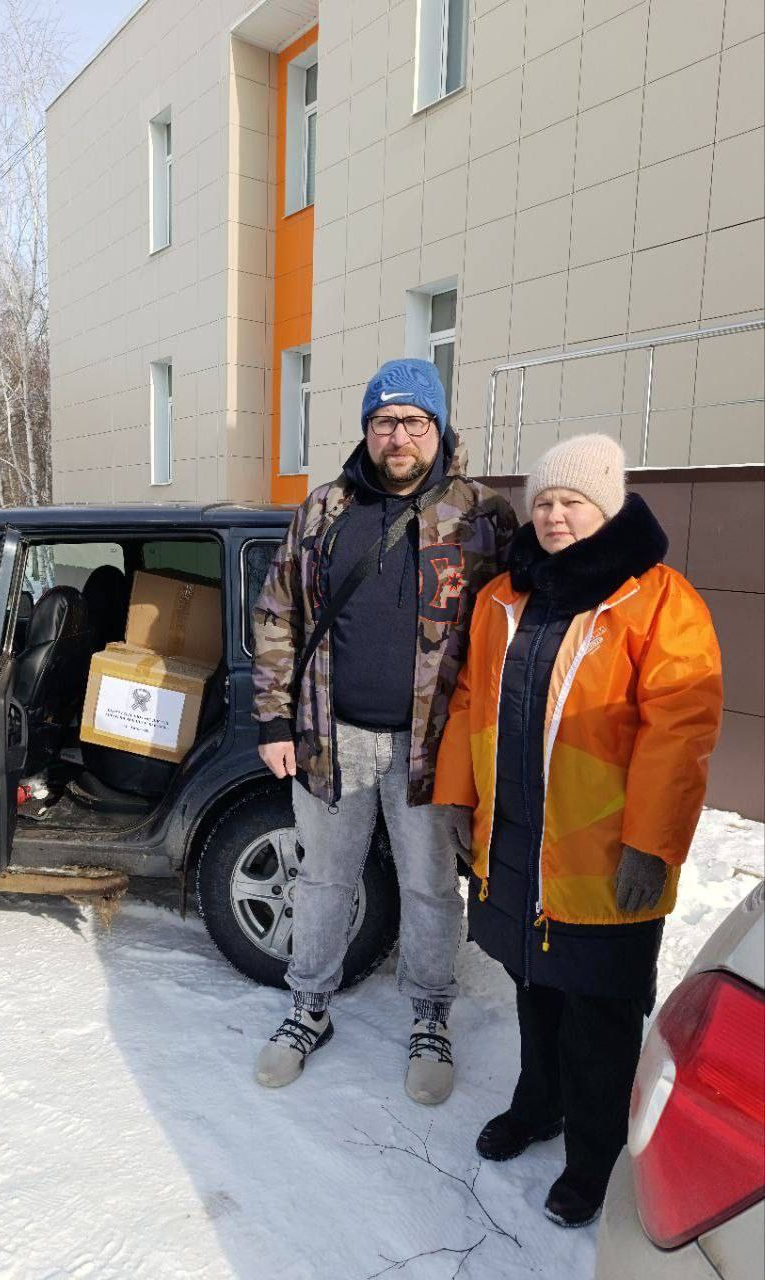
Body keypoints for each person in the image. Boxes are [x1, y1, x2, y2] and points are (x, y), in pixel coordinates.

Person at [433, 434, 723, 1226]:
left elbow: (682, 730)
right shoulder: (505, 598)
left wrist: (653, 845)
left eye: (573, 502)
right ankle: (539, 1105)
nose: (556, 516)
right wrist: (460, 797)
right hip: (521, 840)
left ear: (609, 506)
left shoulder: (659, 601)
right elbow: (469, 703)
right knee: (535, 987)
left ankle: (596, 1155)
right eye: (546, 503)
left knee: (598, 1009)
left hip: (606, 850)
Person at [250, 358, 517, 1101]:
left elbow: (517, 622)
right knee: (324, 877)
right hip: (330, 734)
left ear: (438, 427)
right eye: (383, 422)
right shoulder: (325, 509)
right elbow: (278, 614)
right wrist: (274, 718)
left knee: (430, 886)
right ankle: (308, 1006)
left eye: (412, 421)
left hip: (435, 744)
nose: (398, 436)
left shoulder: (483, 516)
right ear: (367, 430)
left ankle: (431, 1016)